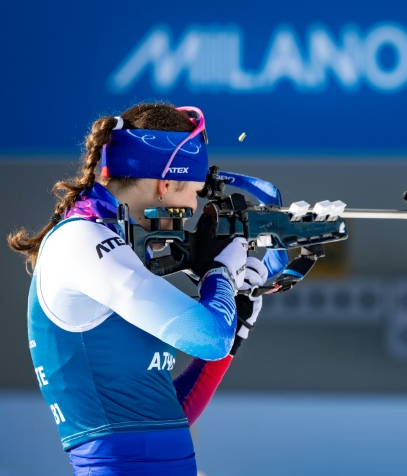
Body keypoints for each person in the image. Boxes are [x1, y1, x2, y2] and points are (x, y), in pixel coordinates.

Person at [8, 103, 268, 475]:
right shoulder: (81, 240)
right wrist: (219, 272)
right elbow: (209, 335)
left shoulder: (105, 239)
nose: (194, 205)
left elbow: (164, 415)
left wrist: (236, 325)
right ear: (165, 184)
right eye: (193, 192)